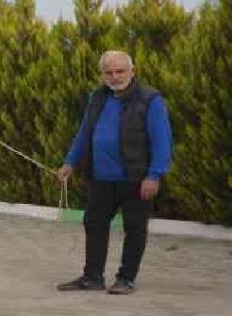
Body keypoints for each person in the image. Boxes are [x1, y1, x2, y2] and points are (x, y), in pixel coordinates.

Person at [56, 50, 172, 295]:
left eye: (120, 71)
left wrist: (154, 175)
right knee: (94, 224)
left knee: (135, 228)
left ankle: (126, 278)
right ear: (102, 74)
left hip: (136, 178)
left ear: (132, 71)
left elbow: (162, 141)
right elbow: (84, 132)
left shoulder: (150, 99)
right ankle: (92, 277)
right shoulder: (97, 97)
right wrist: (70, 162)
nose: (115, 76)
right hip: (100, 178)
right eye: (109, 72)